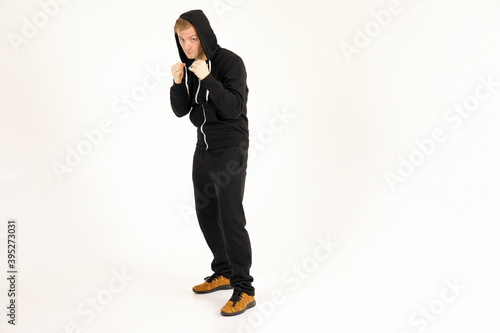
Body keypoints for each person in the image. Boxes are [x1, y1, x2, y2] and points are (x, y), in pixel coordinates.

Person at [170, 9, 255, 316]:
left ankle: (244, 288)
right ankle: (223, 271)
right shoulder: (190, 67)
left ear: (204, 34)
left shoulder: (230, 63)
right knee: (206, 213)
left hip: (230, 148)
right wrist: (179, 82)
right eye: (182, 39)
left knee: (230, 216)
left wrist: (208, 78)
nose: (188, 45)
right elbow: (182, 111)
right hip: (203, 149)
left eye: (192, 38)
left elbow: (234, 107)